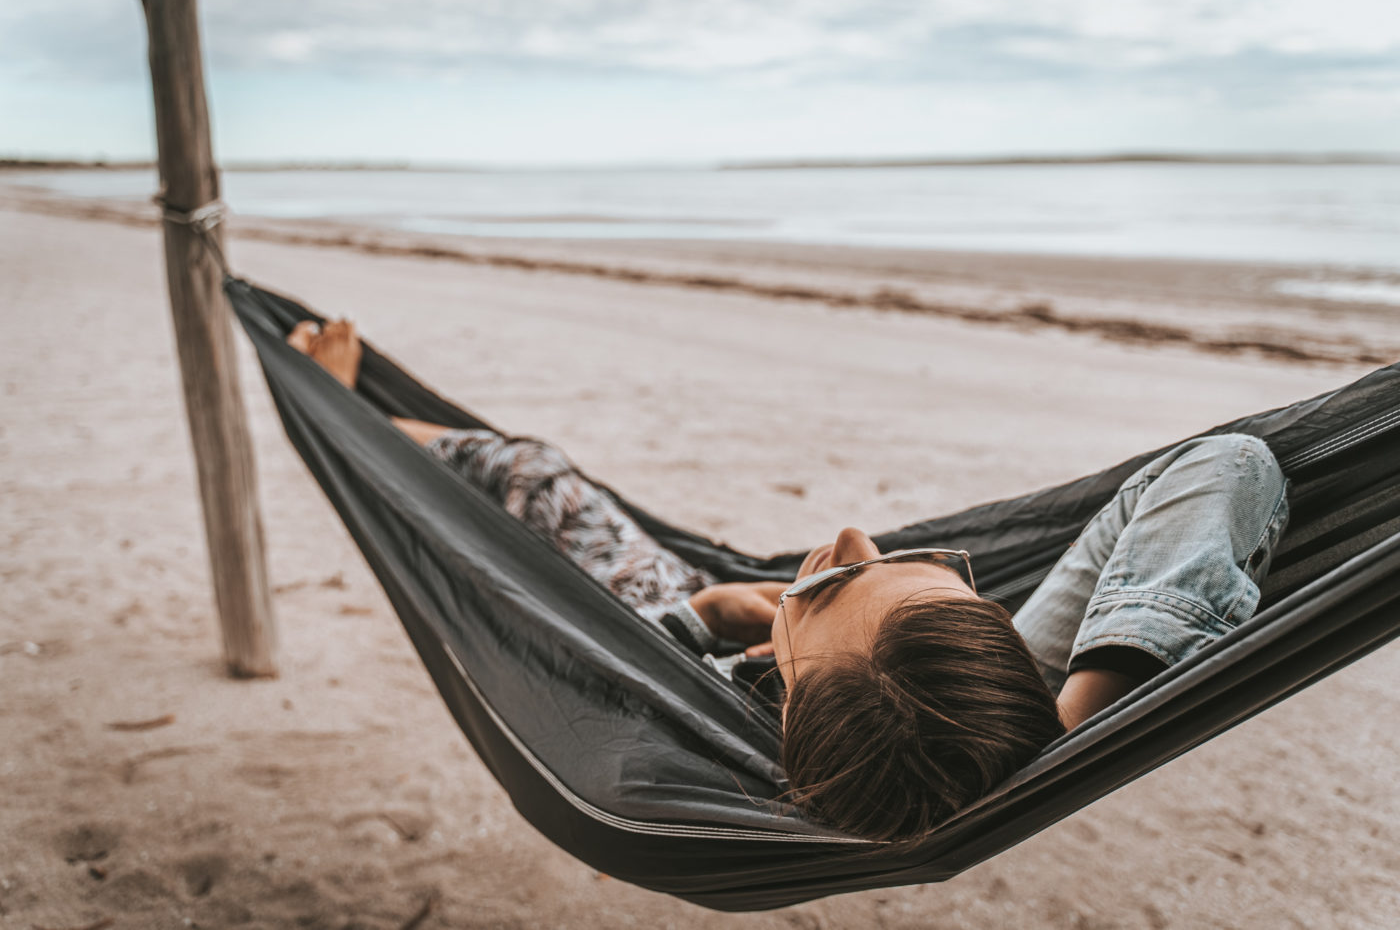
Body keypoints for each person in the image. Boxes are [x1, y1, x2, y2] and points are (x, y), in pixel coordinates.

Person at [288, 319, 1290, 842]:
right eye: (924, 573)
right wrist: (1072, 732)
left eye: (823, 580)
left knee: (534, 476)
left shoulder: (702, 724)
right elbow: (1228, 468)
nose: (855, 529)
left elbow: (589, 724)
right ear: (982, 621)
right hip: (988, 707)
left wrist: (702, 614)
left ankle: (342, 412)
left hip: (646, 619)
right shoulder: (1001, 678)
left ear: (780, 671)